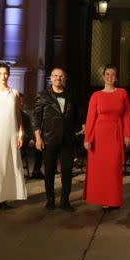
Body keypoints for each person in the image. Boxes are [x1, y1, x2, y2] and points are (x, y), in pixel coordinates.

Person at [84, 64, 130, 210]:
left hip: (116, 134)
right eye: (107, 74)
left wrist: (128, 135)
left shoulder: (122, 93)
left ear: (116, 77)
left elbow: (127, 115)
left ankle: (113, 199)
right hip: (99, 136)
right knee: (100, 170)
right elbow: (90, 118)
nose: (110, 77)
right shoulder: (96, 95)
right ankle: (102, 199)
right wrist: (87, 138)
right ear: (103, 76)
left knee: (113, 169)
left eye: (113, 74)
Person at [0, 64, 27, 212]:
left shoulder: (14, 93)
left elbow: (18, 116)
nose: (3, 76)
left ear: (9, 75)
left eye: (6, 73)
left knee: (9, 165)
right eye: (0, 73)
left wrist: (20, 134)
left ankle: (3, 199)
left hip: (11, 134)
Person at [34, 67, 79, 211]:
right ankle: (50, 199)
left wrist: (77, 130)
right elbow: (36, 118)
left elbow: (77, 114)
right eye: (55, 76)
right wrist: (38, 138)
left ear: (64, 78)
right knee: (49, 170)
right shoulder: (43, 95)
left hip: (67, 139)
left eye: (61, 76)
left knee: (67, 170)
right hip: (49, 138)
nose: (58, 78)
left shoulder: (71, 94)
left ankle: (65, 201)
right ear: (51, 78)